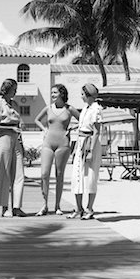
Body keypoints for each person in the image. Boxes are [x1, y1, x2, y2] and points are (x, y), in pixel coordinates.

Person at [34, 84, 80, 216]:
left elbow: (82, 119)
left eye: (54, 92)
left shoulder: (69, 109)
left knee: (59, 175)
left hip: (63, 144)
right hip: (48, 143)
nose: (52, 95)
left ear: (61, 93)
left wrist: (72, 128)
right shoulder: (48, 108)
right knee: (44, 174)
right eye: (51, 93)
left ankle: (57, 206)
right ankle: (44, 205)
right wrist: (44, 129)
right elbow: (37, 119)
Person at [0, 78, 26, 217]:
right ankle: (4, 208)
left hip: (16, 140)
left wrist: (22, 143)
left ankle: (17, 207)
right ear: (6, 90)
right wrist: (10, 127)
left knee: (19, 173)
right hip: (3, 138)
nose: (15, 92)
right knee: (3, 173)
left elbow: (18, 126)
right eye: (13, 90)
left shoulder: (15, 105)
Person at [68, 83, 103, 220]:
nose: (81, 96)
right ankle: (78, 208)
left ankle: (89, 208)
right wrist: (74, 127)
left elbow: (96, 131)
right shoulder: (85, 108)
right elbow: (84, 124)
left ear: (88, 95)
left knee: (90, 177)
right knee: (77, 175)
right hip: (80, 141)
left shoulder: (96, 109)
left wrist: (90, 151)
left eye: (83, 94)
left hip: (90, 143)